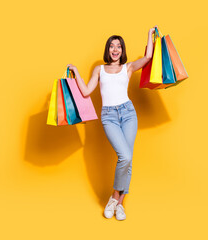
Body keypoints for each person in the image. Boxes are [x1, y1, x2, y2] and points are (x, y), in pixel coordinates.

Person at [67, 25, 157, 220]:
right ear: (107, 50)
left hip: (128, 113)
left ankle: (118, 202)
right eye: (112, 46)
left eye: (119, 47)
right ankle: (115, 197)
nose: (115, 50)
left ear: (122, 51)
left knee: (128, 159)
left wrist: (149, 34)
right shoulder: (99, 70)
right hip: (109, 116)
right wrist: (76, 72)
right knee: (124, 156)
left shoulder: (128, 67)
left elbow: (148, 57)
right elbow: (85, 91)